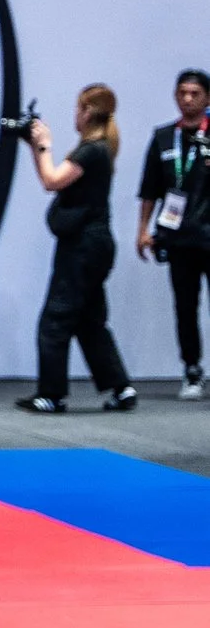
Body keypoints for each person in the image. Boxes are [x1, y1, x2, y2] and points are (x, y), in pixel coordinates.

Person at [20, 85, 139, 413]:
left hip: (82, 247)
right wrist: (36, 147)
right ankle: (121, 387)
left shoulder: (90, 150)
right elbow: (52, 178)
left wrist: (42, 145)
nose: (74, 114)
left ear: (87, 112)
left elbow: (51, 180)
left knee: (55, 319)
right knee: (89, 321)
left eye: (77, 108)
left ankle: (51, 394)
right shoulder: (101, 149)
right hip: (96, 245)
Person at [137, 69, 210, 401]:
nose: (188, 99)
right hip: (178, 238)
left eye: (195, 93)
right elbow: (150, 188)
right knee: (185, 306)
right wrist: (143, 230)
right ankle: (192, 369)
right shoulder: (164, 137)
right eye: (182, 93)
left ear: (207, 98)